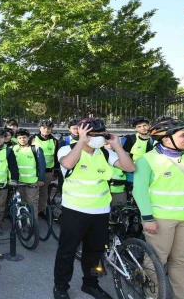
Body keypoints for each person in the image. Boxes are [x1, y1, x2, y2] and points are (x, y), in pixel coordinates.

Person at [54, 118, 134, 299]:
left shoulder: (105, 154)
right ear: (82, 134)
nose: (98, 138)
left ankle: (90, 284)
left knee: (94, 252)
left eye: (101, 135)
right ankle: (60, 286)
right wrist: (81, 141)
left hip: (100, 211)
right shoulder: (67, 149)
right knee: (67, 251)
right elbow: (67, 164)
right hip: (74, 211)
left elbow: (130, 167)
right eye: (93, 135)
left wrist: (116, 146)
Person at [133, 117, 184, 299]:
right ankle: (153, 296)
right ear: (167, 139)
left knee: (182, 261)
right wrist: (147, 218)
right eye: (183, 135)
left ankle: (180, 297)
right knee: (156, 262)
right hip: (161, 220)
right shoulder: (147, 160)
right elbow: (139, 191)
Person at [29, 120, 60, 216]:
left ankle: (41, 211)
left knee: (43, 193)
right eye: (44, 128)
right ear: (40, 128)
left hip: (47, 172)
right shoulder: (33, 139)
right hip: (34, 171)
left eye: (49, 128)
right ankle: (30, 211)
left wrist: (56, 171)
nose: (46, 130)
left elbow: (56, 156)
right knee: (32, 193)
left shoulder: (54, 141)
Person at [13, 129, 46, 213]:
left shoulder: (36, 148)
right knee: (21, 202)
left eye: (24, 137)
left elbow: (42, 165)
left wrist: (41, 179)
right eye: (20, 138)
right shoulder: (15, 148)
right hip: (19, 181)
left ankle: (33, 223)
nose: (22, 140)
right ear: (17, 139)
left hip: (32, 182)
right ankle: (23, 221)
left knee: (32, 203)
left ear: (28, 138)